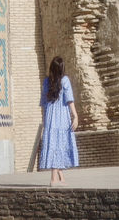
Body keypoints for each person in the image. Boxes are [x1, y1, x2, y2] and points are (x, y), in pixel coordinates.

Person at [39, 56, 79, 185]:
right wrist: (75, 116)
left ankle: (60, 177)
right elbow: (69, 100)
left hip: (50, 116)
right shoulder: (65, 80)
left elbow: (44, 102)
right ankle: (53, 179)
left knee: (53, 144)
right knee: (59, 145)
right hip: (62, 116)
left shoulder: (46, 82)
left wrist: (45, 118)